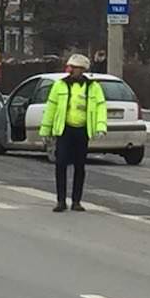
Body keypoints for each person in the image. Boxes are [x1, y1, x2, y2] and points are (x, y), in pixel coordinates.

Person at [39, 54, 108, 212]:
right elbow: (51, 108)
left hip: (82, 130)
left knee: (79, 166)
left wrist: (100, 126)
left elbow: (100, 107)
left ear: (82, 70)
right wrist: (45, 130)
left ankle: (76, 201)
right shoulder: (60, 85)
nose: (70, 70)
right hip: (64, 130)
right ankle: (61, 201)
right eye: (69, 67)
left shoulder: (93, 87)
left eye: (74, 68)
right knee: (61, 164)